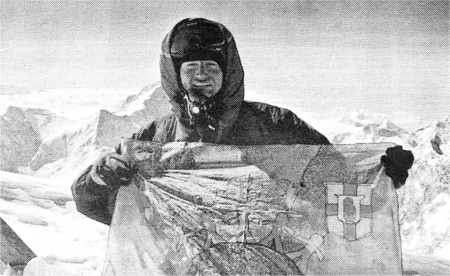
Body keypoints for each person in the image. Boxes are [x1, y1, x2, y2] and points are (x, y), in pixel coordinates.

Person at [72, 18, 413, 225]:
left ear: (228, 74)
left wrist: (381, 176)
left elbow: (335, 183)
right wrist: (101, 178)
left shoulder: (278, 126)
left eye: (212, 67)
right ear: (176, 77)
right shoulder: (154, 138)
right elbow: (99, 207)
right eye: (191, 68)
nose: (202, 77)